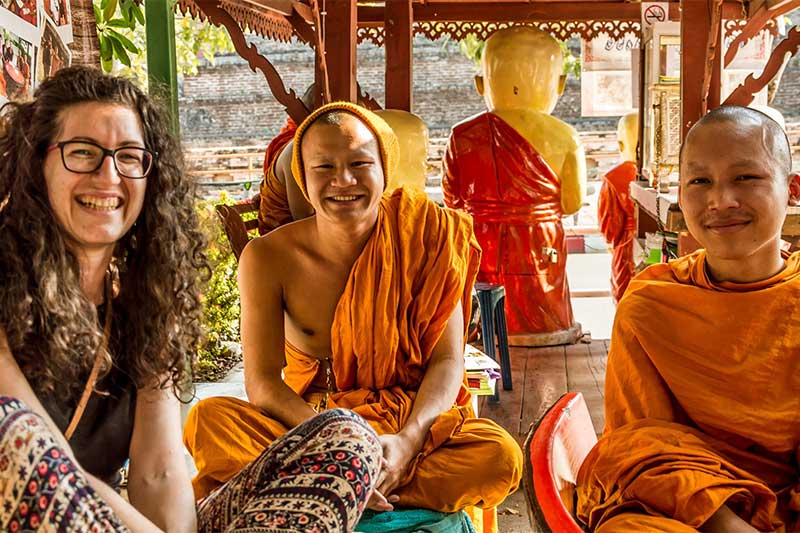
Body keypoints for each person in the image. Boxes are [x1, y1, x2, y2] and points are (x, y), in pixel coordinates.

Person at [0, 66, 382, 532]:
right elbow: (43, 463)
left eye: (129, 156)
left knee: (348, 436)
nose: (109, 176)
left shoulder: (147, 299)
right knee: (14, 432)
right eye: (83, 153)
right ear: (36, 164)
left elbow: (158, 471)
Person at [184, 102, 523, 529]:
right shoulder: (267, 257)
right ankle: (367, 490)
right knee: (210, 421)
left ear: (384, 167)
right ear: (303, 179)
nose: (342, 181)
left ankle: (337, 491)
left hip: (404, 423)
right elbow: (264, 383)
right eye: (323, 167)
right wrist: (339, 447)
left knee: (499, 457)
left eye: (359, 163)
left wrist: (406, 441)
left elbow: (447, 362)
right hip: (314, 424)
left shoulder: (429, 237)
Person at [575, 105, 800, 532]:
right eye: (700, 182)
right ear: (680, 193)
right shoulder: (651, 305)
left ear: (791, 189)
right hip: (683, 513)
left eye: (745, 178)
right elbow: (642, 447)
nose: (721, 201)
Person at [443, 26, 585, 346]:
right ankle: (545, 328)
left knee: (484, 294)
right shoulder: (565, 136)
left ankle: (487, 332)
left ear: (482, 85)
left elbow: (452, 199)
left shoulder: (463, 135)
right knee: (544, 295)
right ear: (560, 85)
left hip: (484, 238)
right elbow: (572, 203)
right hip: (541, 239)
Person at [597, 111, 638, 302]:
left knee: (627, 298)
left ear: (621, 144)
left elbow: (610, 227)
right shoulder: (671, 174)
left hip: (627, 246)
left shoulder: (614, 178)